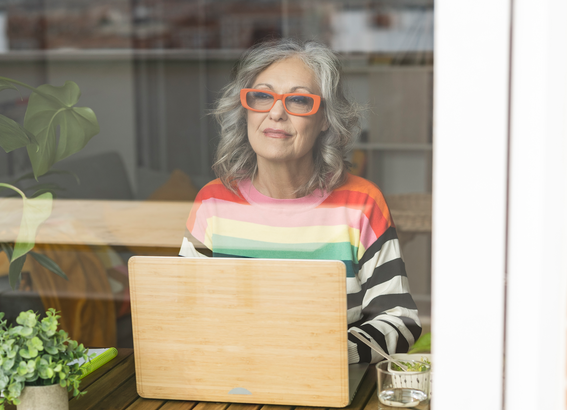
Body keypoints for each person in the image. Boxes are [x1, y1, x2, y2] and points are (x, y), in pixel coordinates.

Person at [179, 39, 422, 364]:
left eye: (298, 100)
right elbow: (183, 311)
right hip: (235, 379)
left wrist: (330, 354)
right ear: (246, 109)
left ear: (324, 119)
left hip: (330, 383)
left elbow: (401, 319)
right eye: (262, 96)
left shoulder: (362, 203)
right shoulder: (212, 203)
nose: (276, 113)